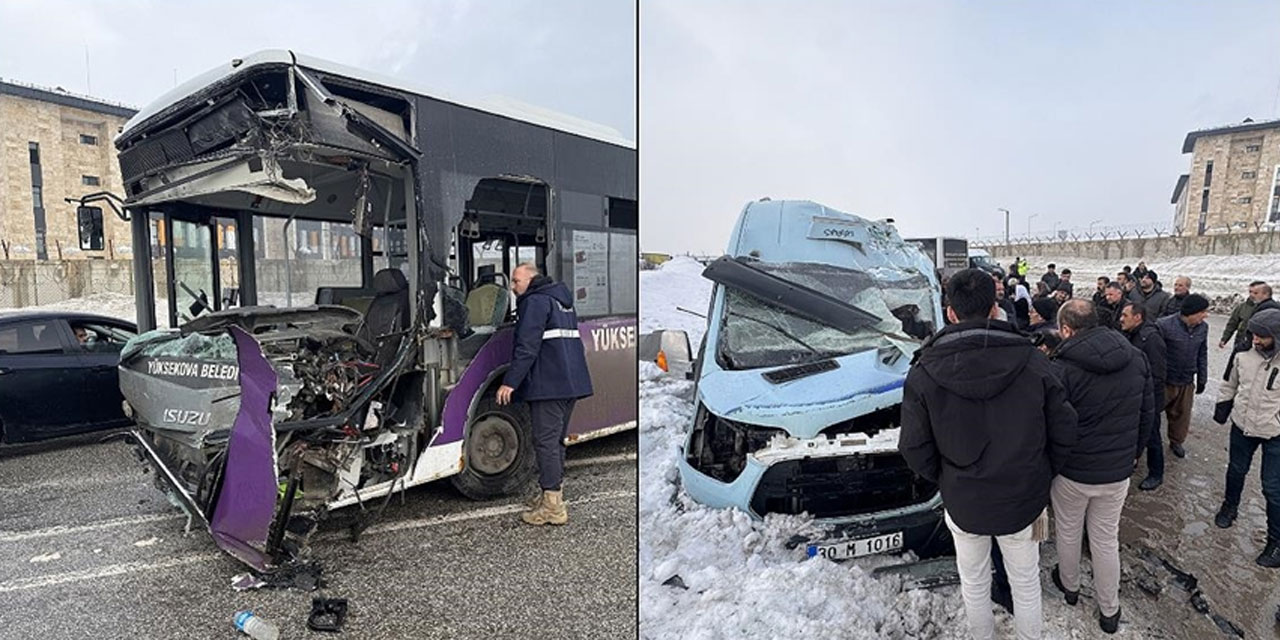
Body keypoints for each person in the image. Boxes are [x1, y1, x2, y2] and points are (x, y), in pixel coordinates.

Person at [901, 268, 1077, 640]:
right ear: (995, 308)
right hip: (1022, 497)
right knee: (1025, 582)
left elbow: (914, 446)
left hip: (964, 499)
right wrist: (1041, 472)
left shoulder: (923, 371)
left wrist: (948, 476)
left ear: (950, 312)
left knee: (974, 581)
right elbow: (1064, 429)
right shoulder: (1034, 361)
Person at [1048, 299, 1152, 634]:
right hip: (1117, 471)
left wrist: (1053, 464)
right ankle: (1110, 610)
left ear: (1066, 330)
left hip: (1073, 472)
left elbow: (1051, 425)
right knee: (1106, 539)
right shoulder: (1135, 357)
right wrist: (1134, 454)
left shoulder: (1061, 368)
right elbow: (1147, 412)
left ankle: (1070, 587)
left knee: (1068, 531)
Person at [497, 262, 593, 525]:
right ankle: (552, 495)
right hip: (569, 383)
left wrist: (510, 382)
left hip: (548, 385)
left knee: (546, 443)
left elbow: (527, 347)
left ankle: (553, 507)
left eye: (516, 281)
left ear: (531, 280)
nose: (513, 287)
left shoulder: (535, 302)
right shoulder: (562, 301)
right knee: (555, 441)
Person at [1212, 308, 1280, 568]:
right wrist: (1223, 405)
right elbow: (1230, 382)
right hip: (1242, 425)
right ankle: (1229, 507)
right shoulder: (1242, 353)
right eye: (1253, 334)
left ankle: (1276, 541)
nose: (1255, 340)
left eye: (1262, 336)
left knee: (1272, 487)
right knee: (1236, 470)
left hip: (1275, 432)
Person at [1156, 294, 1211, 459]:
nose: (1206, 315)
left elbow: (1202, 352)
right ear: (1191, 312)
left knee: (1182, 415)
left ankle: (1176, 441)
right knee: (1153, 413)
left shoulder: (1203, 328)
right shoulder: (1163, 325)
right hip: (1165, 380)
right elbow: (1155, 354)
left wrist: (1202, 377)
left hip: (1186, 380)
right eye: (1202, 312)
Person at [1120, 302, 1168, 490]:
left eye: (1125, 315)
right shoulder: (1131, 333)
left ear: (1137, 317)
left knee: (1151, 436)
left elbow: (1158, 374)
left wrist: (1145, 397)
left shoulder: (1151, 338)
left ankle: (1156, 473)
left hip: (1148, 397)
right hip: (1134, 394)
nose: (1121, 319)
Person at [1222, 282, 1280, 380]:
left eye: (1255, 293)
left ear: (1266, 294)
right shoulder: (1247, 306)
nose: (1252, 295)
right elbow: (1233, 322)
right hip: (1243, 341)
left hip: (1255, 347)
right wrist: (1225, 338)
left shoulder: (1270, 309)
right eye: (1250, 292)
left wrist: (1246, 345)